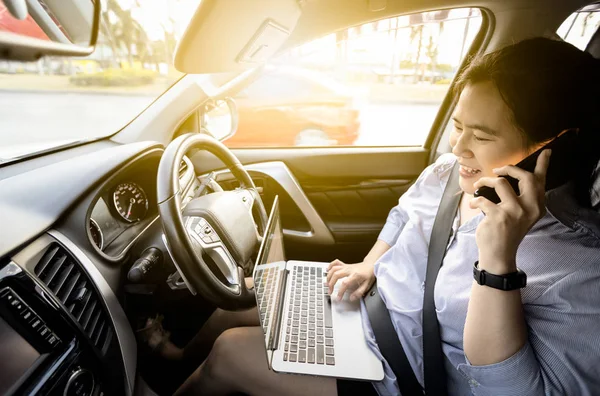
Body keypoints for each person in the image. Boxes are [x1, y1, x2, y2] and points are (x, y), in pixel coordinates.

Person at [173, 37, 600, 395]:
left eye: (482, 136)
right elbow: (403, 218)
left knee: (231, 351)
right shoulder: (451, 174)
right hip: (371, 310)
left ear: (553, 148)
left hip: (398, 374)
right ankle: (172, 361)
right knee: (243, 293)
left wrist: (498, 264)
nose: (458, 147)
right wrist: (370, 264)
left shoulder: (579, 268)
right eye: (458, 125)